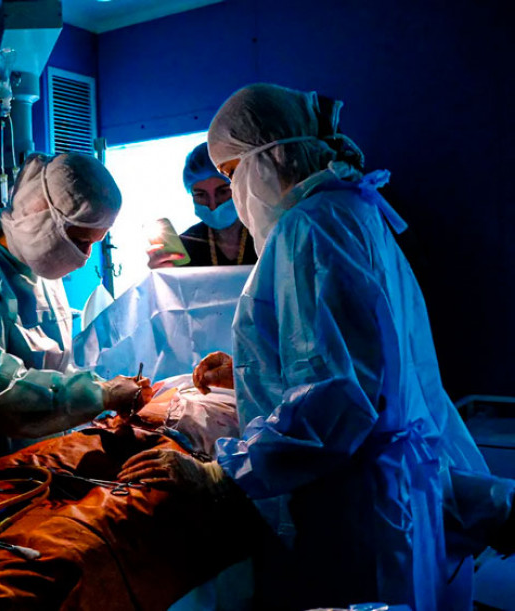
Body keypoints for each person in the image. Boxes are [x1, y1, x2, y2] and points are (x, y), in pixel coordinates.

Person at [117, 84, 511, 610]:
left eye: (233, 175)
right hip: (386, 488)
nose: (232, 196)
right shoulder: (357, 209)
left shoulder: (311, 228)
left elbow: (335, 404)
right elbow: (367, 363)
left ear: (268, 157)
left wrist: (223, 475)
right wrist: (253, 371)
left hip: (354, 505)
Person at [0, 153, 152, 475]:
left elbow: (54, 367)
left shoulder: (45, 278)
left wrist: (96, 404)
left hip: (31, 457)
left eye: (94, 243)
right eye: (79, 240)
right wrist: (97, 394)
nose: (85, 257)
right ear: (41, 216)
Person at [148, 142, 257, 268]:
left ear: (241, 187)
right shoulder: (185, 247)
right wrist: (159, 276)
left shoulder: (267, 235)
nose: (213, 205)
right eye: (201, 195)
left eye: (223, 192)